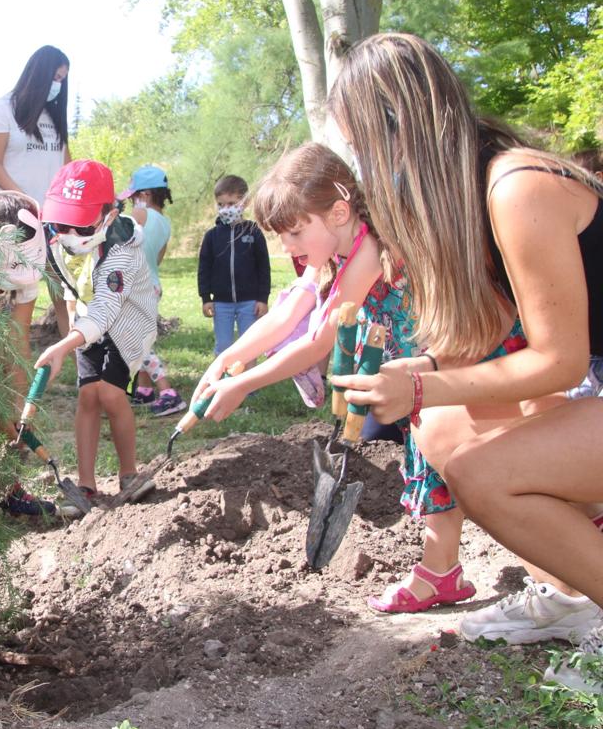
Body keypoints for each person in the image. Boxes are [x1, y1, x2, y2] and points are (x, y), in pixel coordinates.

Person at [327, 33, 603, 690]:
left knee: (485, 473)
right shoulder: (471, 198)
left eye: (363, 145)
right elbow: (489, 352)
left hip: (586, 378)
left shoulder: (517, 188)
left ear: (403, 128)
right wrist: (415, 378)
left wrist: (423, 388)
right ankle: (572, 597)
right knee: (447, 428)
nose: (365, 167)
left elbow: (559, 364)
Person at [193, 143, 476, 612]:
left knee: (432, 454)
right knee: (424, 453)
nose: (287, 247)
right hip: (400, 371)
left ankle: (439, 572)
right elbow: (286, 318)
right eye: (282, 236)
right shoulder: (330, 253)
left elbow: (320, 340)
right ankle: (444, 571)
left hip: (429, 364)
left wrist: (244, 383)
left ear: (339, 212)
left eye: (295, 232)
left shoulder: (366, 248)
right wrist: (227, 360)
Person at [34, 159, 158, 502]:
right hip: (85, 322)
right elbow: (62, 289)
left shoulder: (122, 250)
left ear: (110, 215)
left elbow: (107, 308)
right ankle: (86, 486)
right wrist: (70, 336)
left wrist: (63, 345)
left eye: (82, 227)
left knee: (110, 393)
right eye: (63, 223)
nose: (71, 235)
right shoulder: (56, 237)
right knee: (87, 395)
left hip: (127, 323)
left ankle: (129, 473)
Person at [0, 190, 58, 517]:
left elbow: (18, 342)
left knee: (8, 416)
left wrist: (19, 410)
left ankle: (6, 490)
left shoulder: (27, 270)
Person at [0, 45, 73, 339]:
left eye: (62, 81)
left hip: (49, 222)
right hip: (8, 220)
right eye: (54, 78)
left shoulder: (55, 118)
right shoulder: (2, 109)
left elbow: (66, 168)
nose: (57, 86)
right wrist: (28, 204)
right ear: (38, 74)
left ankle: (79, 362)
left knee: (63, 292)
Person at [119, 165, 186, 417]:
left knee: (138, 343)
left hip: (135, 286)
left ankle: (168, 393)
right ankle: (144, 391)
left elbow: (117, 240)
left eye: (133, 196)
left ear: (145, 195)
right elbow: (157, 259)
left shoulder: (138, 214)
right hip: (152, 284)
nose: (131, 202)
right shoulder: (165, 224)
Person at [197, 175, 270, 359]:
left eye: (231, 203)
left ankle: (248, 388)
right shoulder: (212, 236)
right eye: (221, 204)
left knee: (249, 347)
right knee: (223, 347)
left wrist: (262, 298)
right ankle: (221, 385)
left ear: (244, 203)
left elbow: (263, 267)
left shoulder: (253, 232)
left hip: (249, 303)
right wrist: (206, 297)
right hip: (221, 303)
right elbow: (204, 268)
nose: (226, 209)